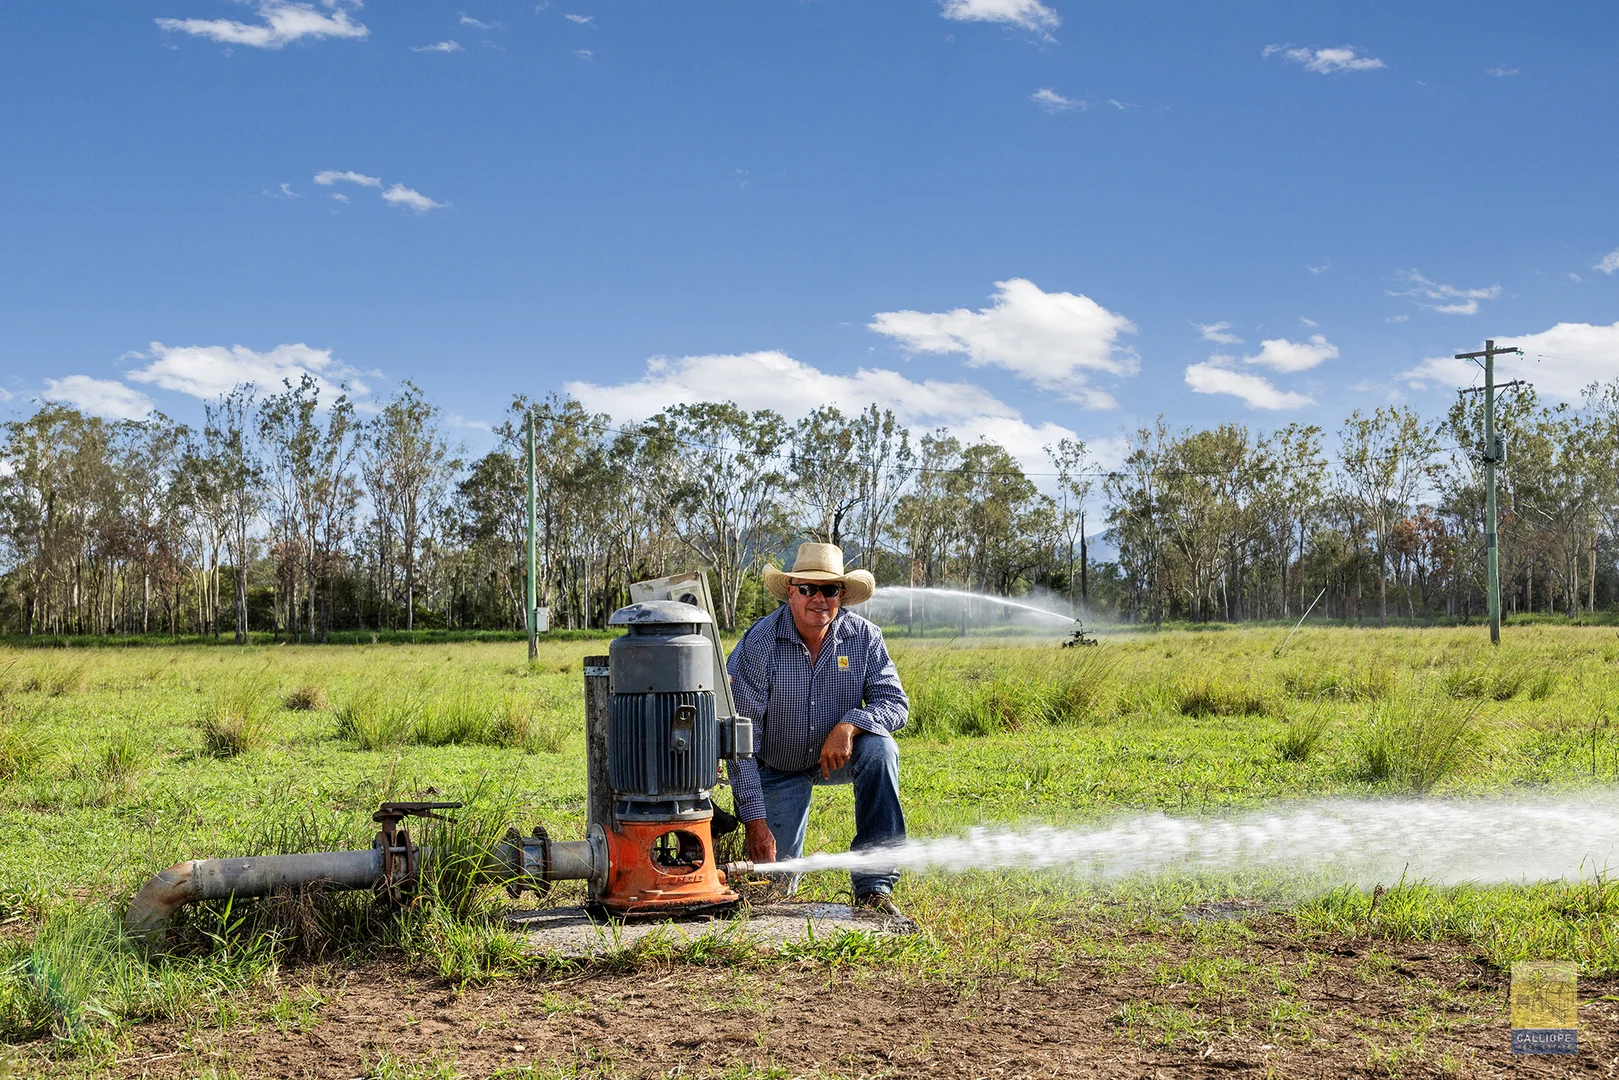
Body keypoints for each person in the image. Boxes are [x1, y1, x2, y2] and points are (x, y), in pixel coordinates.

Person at [726, 542, 908, 914]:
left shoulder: (865, 637)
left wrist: (850, 724)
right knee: (773, 892)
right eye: (808, 589)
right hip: (776, 768)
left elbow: (895, 704)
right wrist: (755, 823)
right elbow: (740, 739)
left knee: (881, 750)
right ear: (791, 591)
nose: (818, 598)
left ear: (842, 594)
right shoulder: (759, 644)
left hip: (836, 757)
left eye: (829, 589)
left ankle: (874, 887)